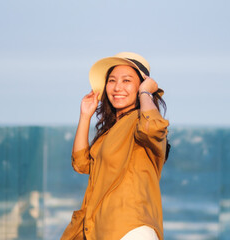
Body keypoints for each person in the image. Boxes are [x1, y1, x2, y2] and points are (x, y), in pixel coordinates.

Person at [61, 52, 169, 240]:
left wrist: (146, 92)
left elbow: (152, 127)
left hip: (130, 229)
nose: (118, 87)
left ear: (140, 85)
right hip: (102, 230)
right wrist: (85, 116)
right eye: (112, 81)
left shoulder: (141, 122)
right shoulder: (110, 132)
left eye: (127, 81)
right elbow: (81, 163)